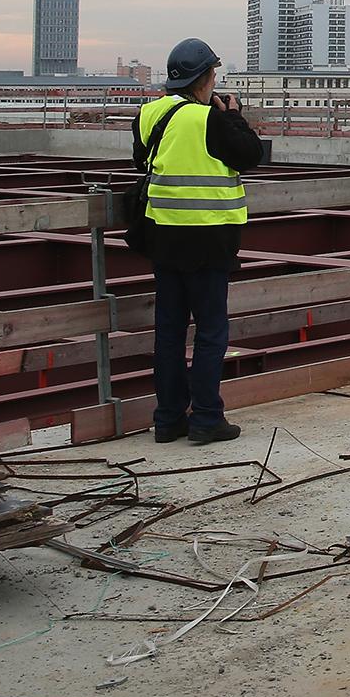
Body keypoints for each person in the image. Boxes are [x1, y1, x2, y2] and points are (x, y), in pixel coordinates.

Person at [133, 38, 265, 445]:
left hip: (163, 236)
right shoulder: (209, 118)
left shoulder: (149, 114)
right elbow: (250, 156)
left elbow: (143, 162)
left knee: (168, 331)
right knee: (210, 331)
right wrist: (236, 119)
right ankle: (207, 416)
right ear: (206, 77)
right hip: (210, 238)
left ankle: (168, 418)